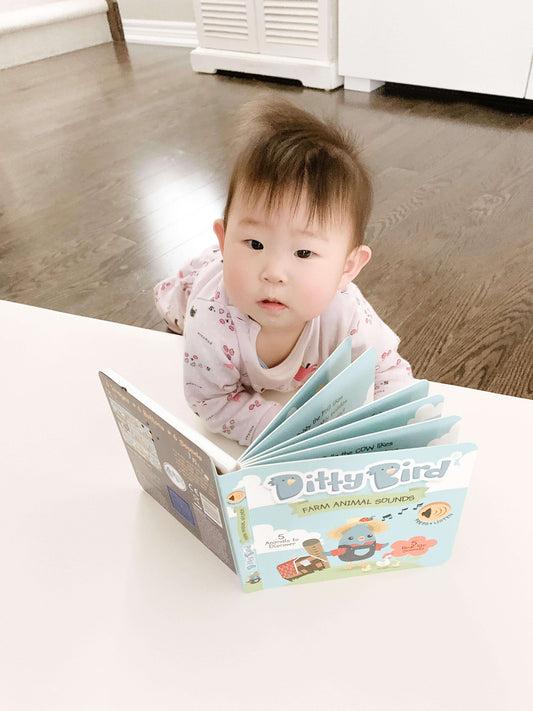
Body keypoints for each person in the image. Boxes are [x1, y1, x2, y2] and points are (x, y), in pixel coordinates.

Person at [154, 96, 414, 446]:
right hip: (195, 292)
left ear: (347, 267)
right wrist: (285, 425)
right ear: (225, 239)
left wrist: (387, 426)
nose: (274, 272)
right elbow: (210, 400)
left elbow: (389, 370)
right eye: (255, 243)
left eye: (304, 252)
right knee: (176, 318)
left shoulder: (346, 311)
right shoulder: (211, 318)